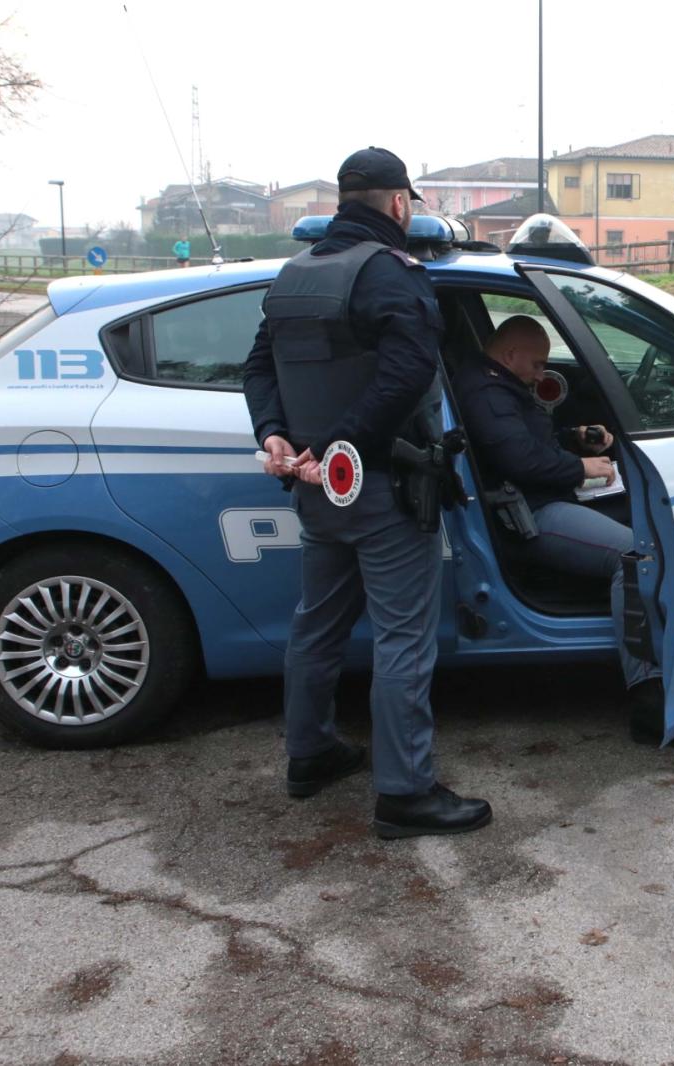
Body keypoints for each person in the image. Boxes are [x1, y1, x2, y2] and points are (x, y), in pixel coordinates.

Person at [242, 146, 491, 839]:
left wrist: (278, 438)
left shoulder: (296, 275)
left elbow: (258, 369)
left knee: (316, 626)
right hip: (383, 486)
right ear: (400, 204)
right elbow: (410, 371)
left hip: (317, 489)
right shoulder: (389, 271)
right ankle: (406, 794)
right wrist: (340, 442)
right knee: (404, 641)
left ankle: (311, 754)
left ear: (343, 201)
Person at [454, 316, 674, 748]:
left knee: (647, 518)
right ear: (509, 356)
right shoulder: (487, 393)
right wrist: (581, 467)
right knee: (635, 558)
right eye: (539, 364)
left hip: (541, 496)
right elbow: (520, 461)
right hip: (531, 515)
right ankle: (650, 702)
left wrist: (573, 437)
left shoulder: (497, 384)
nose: (543, 375)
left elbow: (522, 442)